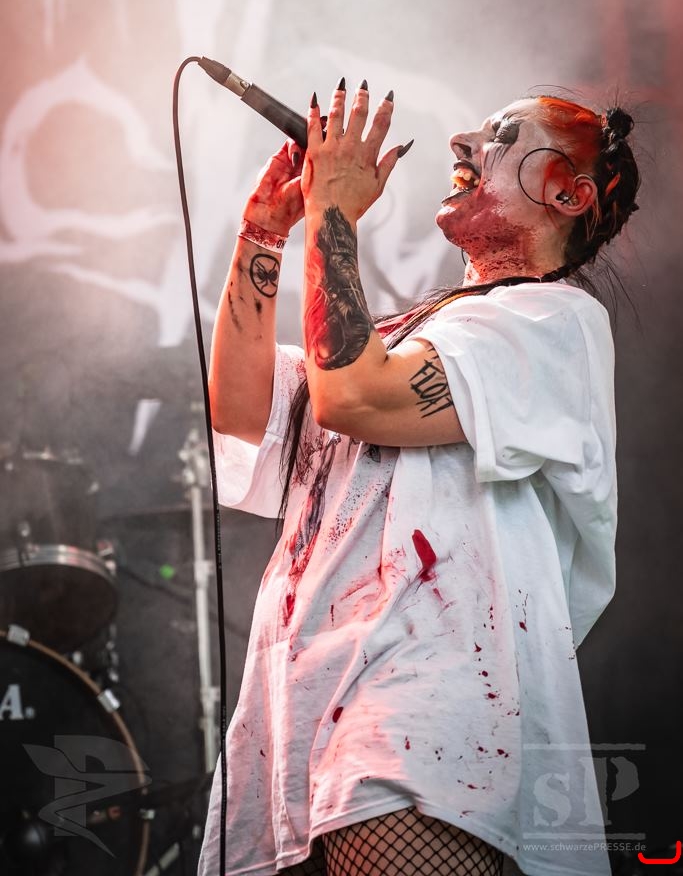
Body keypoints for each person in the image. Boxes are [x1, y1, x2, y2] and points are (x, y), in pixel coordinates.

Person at [197, 81, 640, 876]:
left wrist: (333, 212)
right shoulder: (407, 334)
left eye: (501, 134)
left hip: (427, 709)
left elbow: (353, 396)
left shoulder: (552, 321)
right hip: (306, 704)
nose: (462, 142)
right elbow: (238, 408)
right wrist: (263, 231)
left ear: (568, 195)